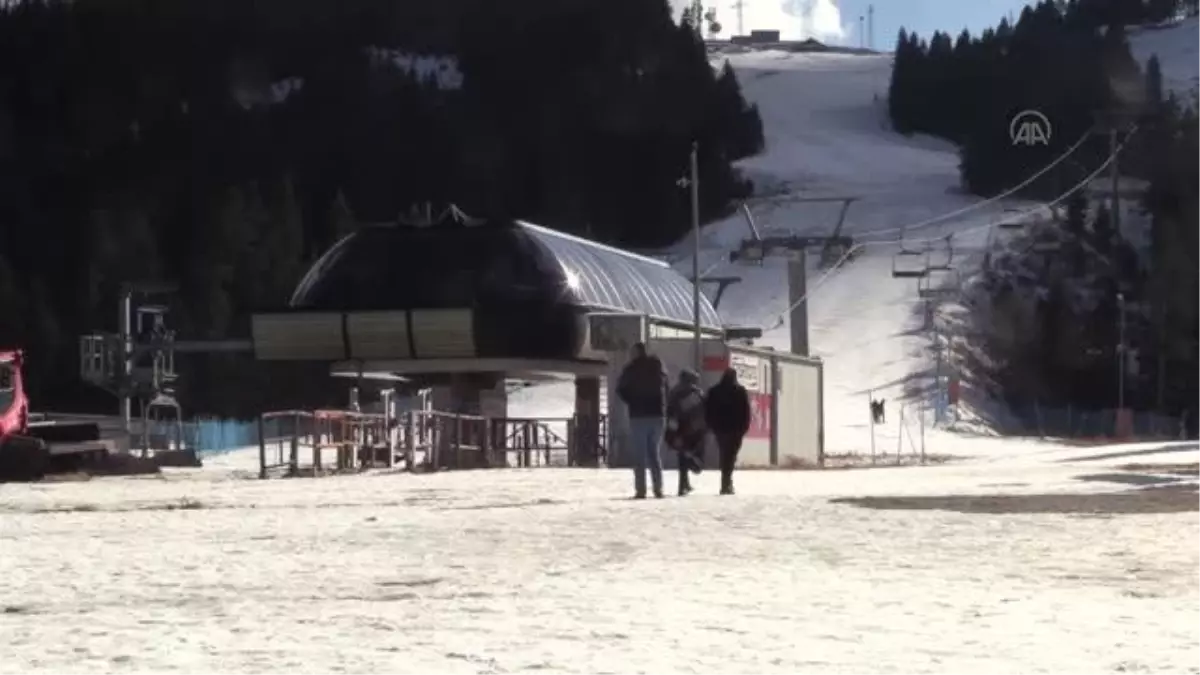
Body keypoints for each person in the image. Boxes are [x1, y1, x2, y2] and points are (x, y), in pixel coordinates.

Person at [616, 342, 669, 499]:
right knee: (654, 453)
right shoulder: (658, 365)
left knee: (640, 455)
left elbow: (620, 389)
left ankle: (641, 490)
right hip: (657, 415)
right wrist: (663, 405)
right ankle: (658, 489)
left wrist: (631, 401)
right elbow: (666, 386)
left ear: (636, 352)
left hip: (638, 415)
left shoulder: (630, 369)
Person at [705, 368, 751, 496]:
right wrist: (744, 428)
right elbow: (746, 411)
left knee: (724, 454)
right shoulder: (740, 391)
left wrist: (711, 426)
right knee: (731, 456)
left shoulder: (714, 391)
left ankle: (725, 482)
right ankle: (727, 482)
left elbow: (708, 410)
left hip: (720, 429)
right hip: (736, 430)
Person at [665, 369, 706, 496]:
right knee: (696, 462)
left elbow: (670, 412)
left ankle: (683, 485)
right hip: (695, 430)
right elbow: (703, 412)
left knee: (682, 456)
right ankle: (684, 482)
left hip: (679, 429)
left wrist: (672, 432)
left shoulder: (673, 393)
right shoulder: (697, 393)